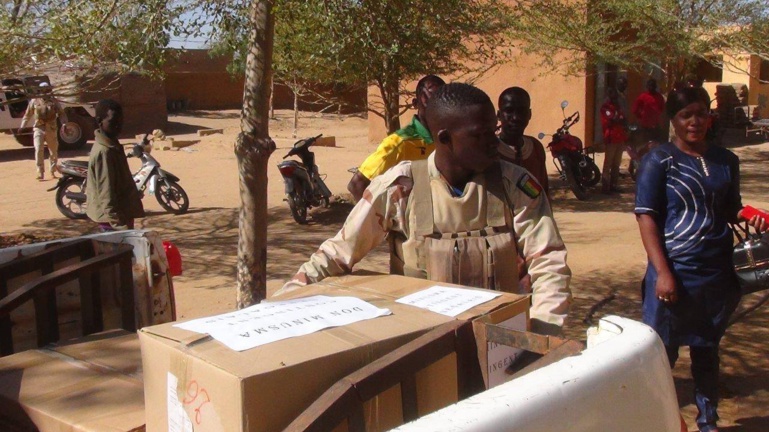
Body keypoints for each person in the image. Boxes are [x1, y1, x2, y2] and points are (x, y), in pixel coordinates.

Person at [279, 83, 572, 336]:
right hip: (422, 344)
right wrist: (282, 304)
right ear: (445, 139)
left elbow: (548, 262)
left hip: (500, 340)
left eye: (492, 130)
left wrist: (543, 331)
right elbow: (336, 255)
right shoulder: (399, 188)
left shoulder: (515, 186)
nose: (494, 142)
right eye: (480, 135)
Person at [635, 86, 768, 432]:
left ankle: (708, 421)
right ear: (673, 121)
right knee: (663, 353)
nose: (695, 121)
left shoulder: (727, 160)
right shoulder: (658, 160)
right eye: (685, 115)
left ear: (710, 116)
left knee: (707, 350)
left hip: (715, 273)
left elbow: (729, 207)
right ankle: (660, 420)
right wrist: (662, 272)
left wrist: (749, 213)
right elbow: (646, 216)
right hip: (674, 271)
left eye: (701, 113)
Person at [347, 75, 445, 202]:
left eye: (441, 103)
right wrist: (378, 219)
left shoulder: (447, 138)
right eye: (430, 103)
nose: (436, 109)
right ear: (415, 104)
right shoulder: (399, 142)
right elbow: (356, 185)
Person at [86, 99, 144, 231]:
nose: (118, 126)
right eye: (113, 122)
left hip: (121, 215)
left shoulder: (112, 145)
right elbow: (106, 196)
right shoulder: (104, 152)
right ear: (100, 121)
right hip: (112, 222)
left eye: (120, 121)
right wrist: (121, 228)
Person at [497, 87, 549, 195]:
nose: (515, 117)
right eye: (509, 111)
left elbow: (543, 192)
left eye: (521, 111)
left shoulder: (535, 148)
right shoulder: (489, 149)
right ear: (499, 115)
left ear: (529, 114)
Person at [19, 82, 68, 180]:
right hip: (39, 128)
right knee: (38, 149)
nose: (45, 92)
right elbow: (27, 115)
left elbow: (61, 114)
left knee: (53, 151)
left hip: (51, 128)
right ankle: (40, 172)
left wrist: (64, 123)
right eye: (43, 90)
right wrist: (22, 126)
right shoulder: (34, 101)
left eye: (47, 89)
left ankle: (53, 170)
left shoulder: (54, 101)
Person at [600, 87, 627, 193]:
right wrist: (618, 119)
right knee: (608, 163)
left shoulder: (618, 107)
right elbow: (611, 120)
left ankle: (614, 185)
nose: (615, 97)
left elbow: (622, 119)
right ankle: (605, 186)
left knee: (616, 163)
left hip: (620, 137)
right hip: (611, 138)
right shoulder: (606, 108)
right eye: (613, 95)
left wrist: (620, 120)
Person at [632, 78, 666, 143]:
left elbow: (662, 109)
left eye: (653, 86)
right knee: (645, 144)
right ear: (647, 87)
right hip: (645, 125)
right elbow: (635, 109)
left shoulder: (659, 97)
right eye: (650, 86)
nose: (651, 87)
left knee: (656, 144)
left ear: (655, 87)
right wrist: (640, 116)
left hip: (656, 125)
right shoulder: (643, 96)